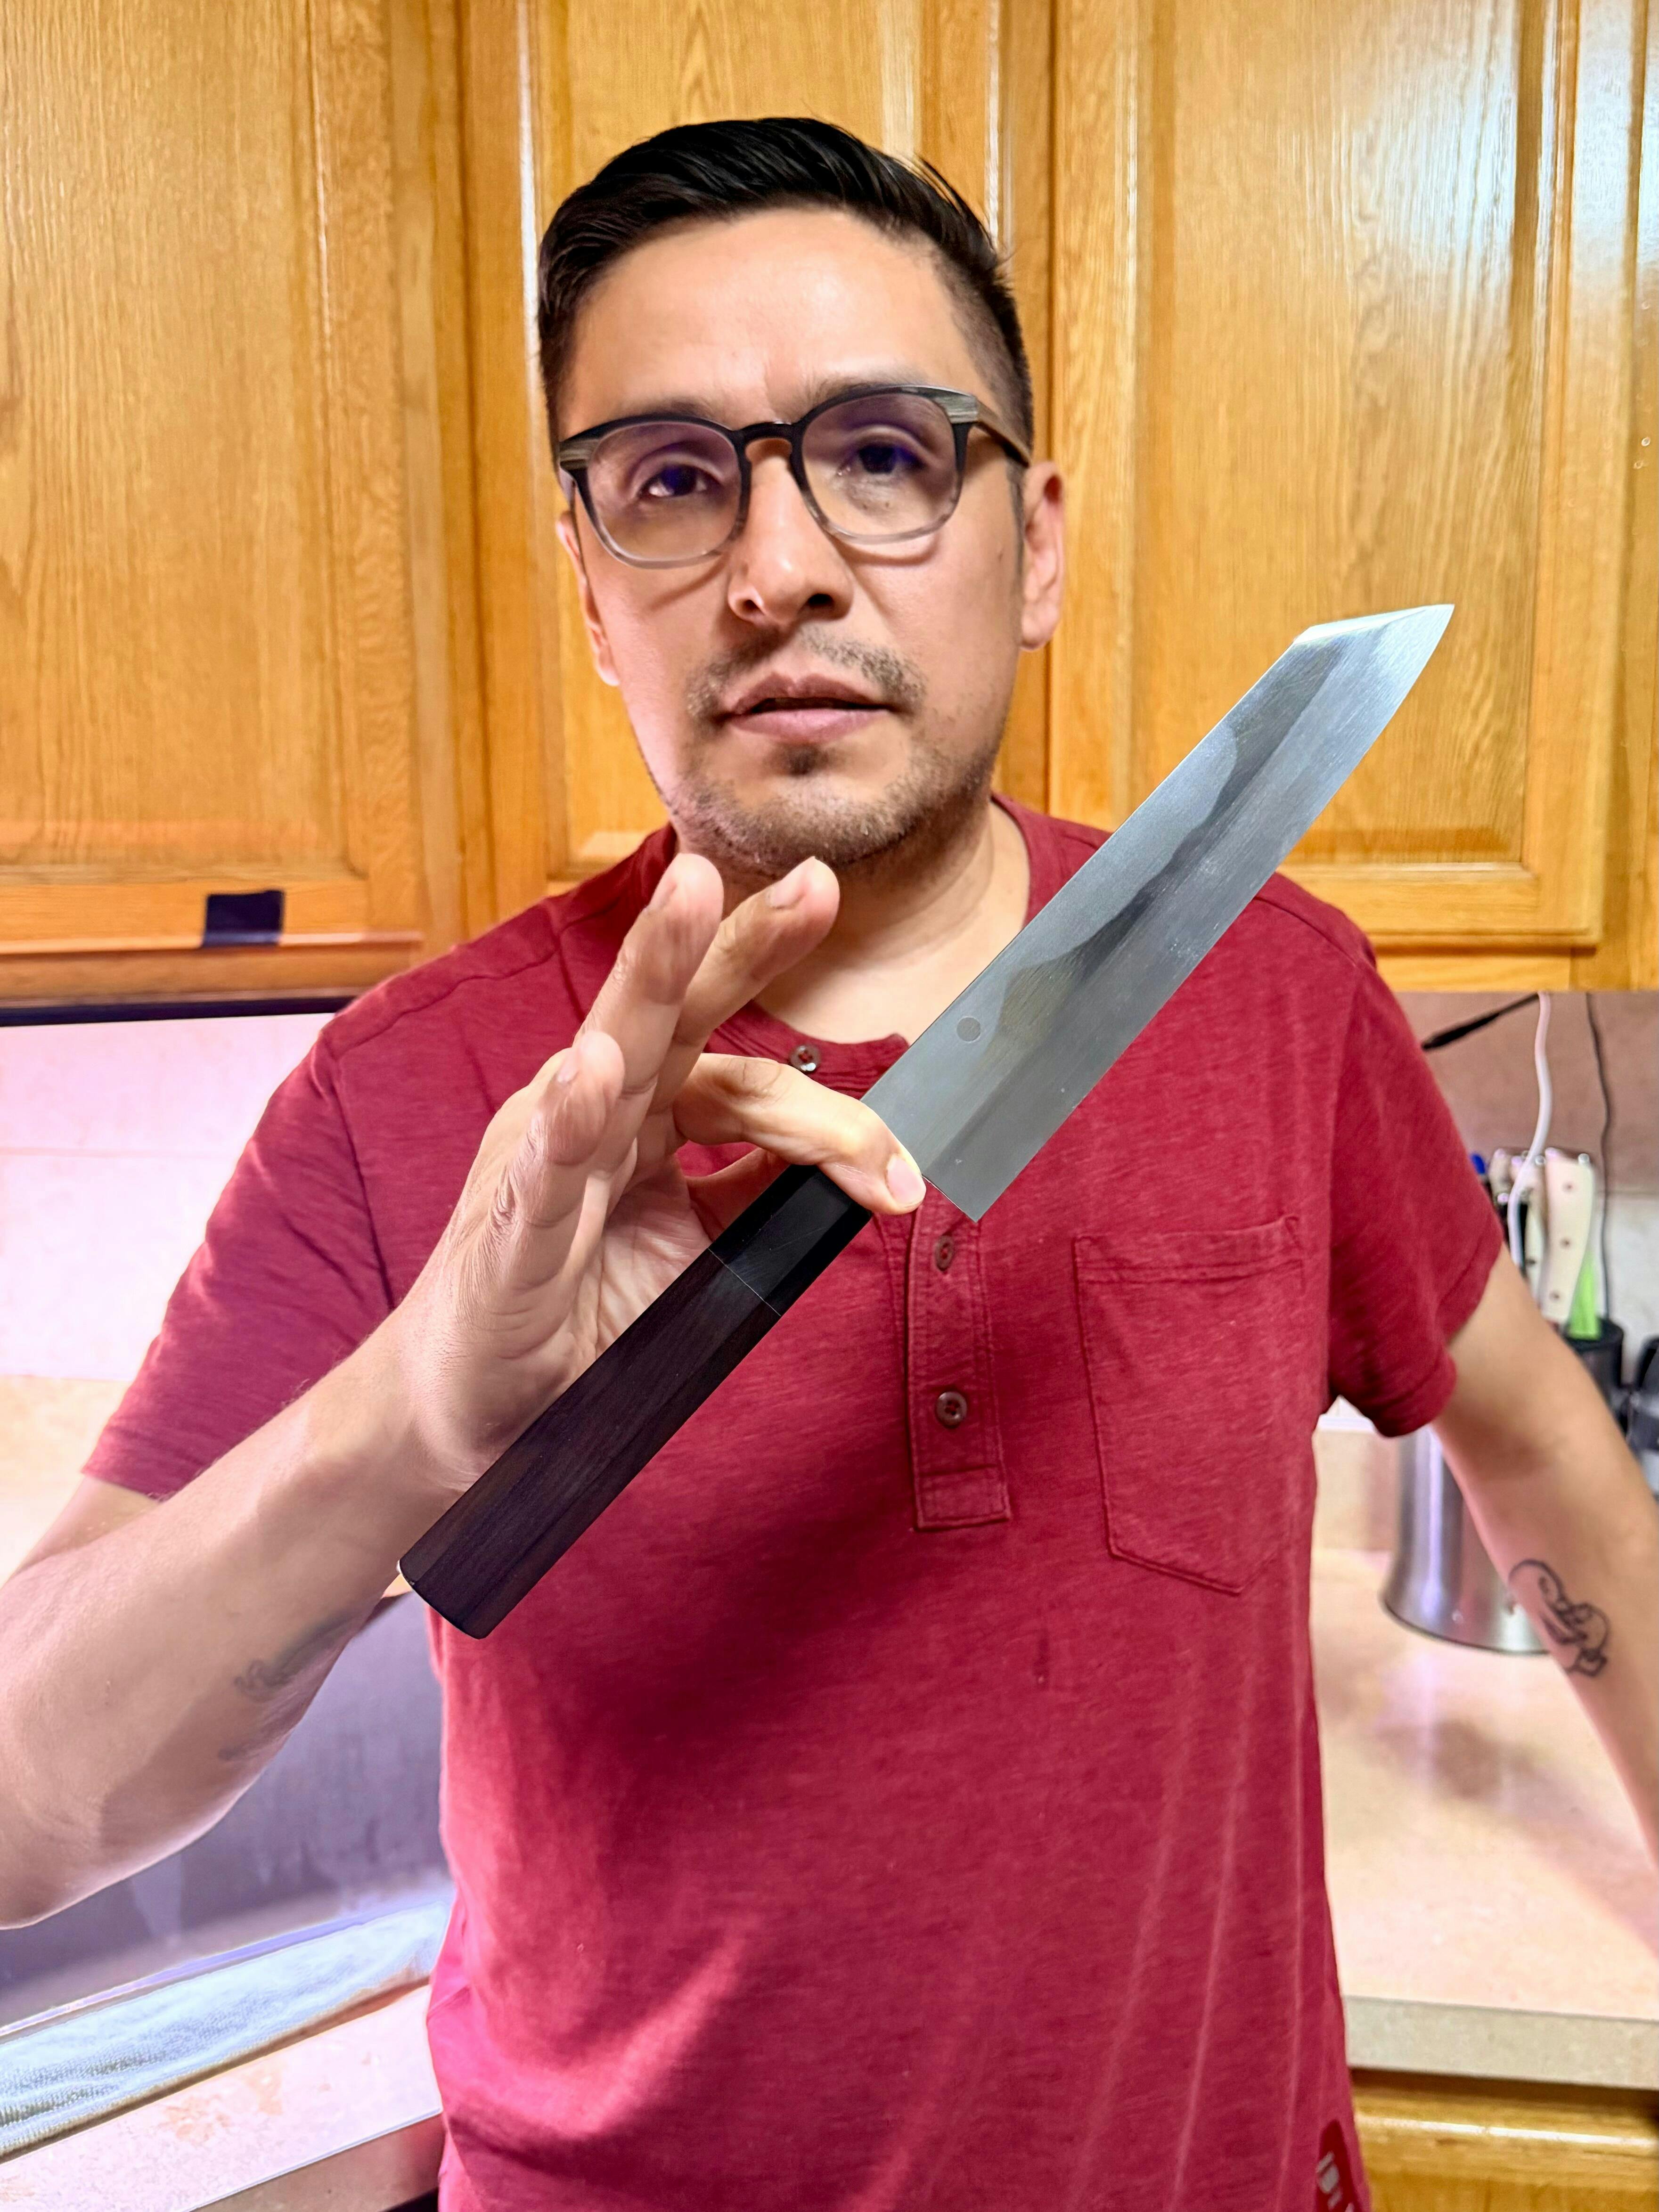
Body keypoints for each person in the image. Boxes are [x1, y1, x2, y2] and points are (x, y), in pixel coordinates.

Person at [1, 119, 1652, 2212]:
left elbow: (1539, 1443)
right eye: (672, 479)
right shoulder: (406, 1101)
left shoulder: (1273, 997)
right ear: (592, 589)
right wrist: (412, 1415)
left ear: (1031, 548)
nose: (776, 563)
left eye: (882, 453)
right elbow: (31, 1809)